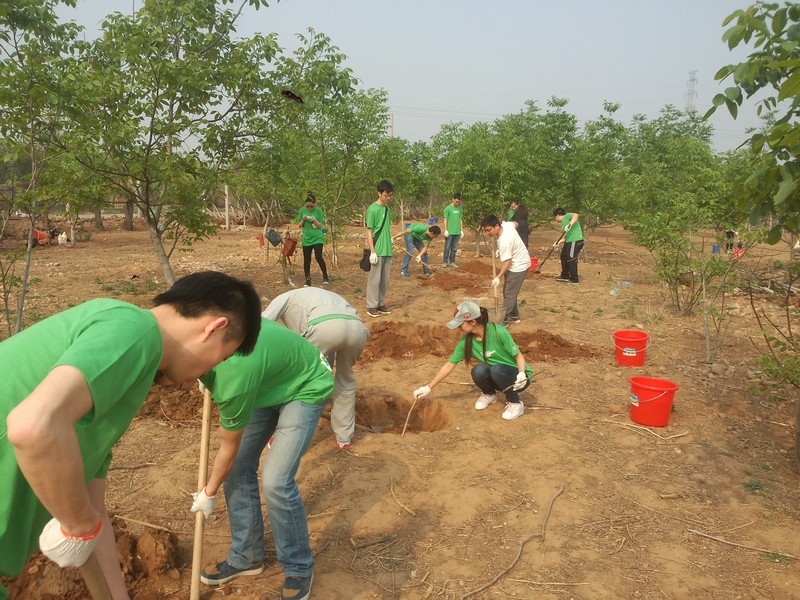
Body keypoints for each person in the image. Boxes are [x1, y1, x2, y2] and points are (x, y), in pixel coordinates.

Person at [0, 271, 262, 600]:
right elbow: (32, 427)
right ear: (214, 327)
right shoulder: (133, 331)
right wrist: (79, 524)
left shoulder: (114, 387)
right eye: (220, 358)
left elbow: (96, 518)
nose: (208, 372)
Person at [194, 318, 334, 600]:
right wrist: (203, 376)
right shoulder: (199, 342)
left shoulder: (234, 375)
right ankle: (247, 556)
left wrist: (208, 493)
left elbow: (228, 448)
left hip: (305, 384)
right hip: (265, 383)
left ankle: (298, 567)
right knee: (236, 471)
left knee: (276, 481)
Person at [261, 287, 369, 450]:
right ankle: (344, 438)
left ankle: (283, 437)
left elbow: (260, 325)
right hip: (357, 328)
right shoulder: (321, 295)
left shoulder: (282, 298)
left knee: (300, 381)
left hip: (324, 326)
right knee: (345, 379)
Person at [412, 300, 532, 421]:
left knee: (497, 369)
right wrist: (428, 388)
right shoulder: (466, 342)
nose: (458, 328)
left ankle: (515, 403)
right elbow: (449, 365)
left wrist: (522, 374)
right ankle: (489, 394)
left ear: (473, 322)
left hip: (518, 378)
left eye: (460, 324)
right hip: (498, 376)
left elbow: (518, 356)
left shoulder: (498, 332)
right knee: (478, 370)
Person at [480, 214, 531, 327]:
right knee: (509, 290)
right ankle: (514, 315)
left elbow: (507, 262)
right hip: (517, 261)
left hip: (519, 265)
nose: (487, 233)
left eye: (489, 230)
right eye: (485, 231)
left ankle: (503, 319)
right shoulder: (507, 225)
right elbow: (516, 223)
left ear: (497, 226)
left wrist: (498, 277)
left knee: (509, 293)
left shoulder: (504, 242)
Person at [365, 179, 394, 318]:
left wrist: (390, 239)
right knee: (374, 279)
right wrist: (372, 251)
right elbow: (370, 231)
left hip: (387, 248)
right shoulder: (372, 209)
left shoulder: (387, 209)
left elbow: (386, 228)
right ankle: (372, 305)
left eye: (390, 195)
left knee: (384, 279)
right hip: (377, 249)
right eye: (386, 195)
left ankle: (381, 303)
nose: (388, 198)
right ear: (379, 193)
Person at [295, 191, 330, 287]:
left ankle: (325, 276)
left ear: (315, 204)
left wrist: (314, 220)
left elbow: (320, 226)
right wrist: (303, 219)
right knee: (307, 259)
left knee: (318, 256)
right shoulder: (302, 211)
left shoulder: (318, 211)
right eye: (308, 206)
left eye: (311, 206)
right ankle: (307, 279)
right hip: (307, 238)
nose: (309, 208)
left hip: (317, 237)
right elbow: (299, 225)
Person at [553, 208, 584, 284]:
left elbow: (576, 215)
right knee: (563, 256)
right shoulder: (564, 223)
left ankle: (574, 279)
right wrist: (558, 242)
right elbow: (566, 237)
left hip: (575, 241)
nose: (555, 219)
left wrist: (570, 224)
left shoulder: (566, 216)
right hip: (569, 241)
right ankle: (565, 276)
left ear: (557, 215)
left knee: (571, 258)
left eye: (554, 217)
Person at [442, 193, 464, 268]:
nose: (457, 203)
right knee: (447, 248)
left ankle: (452, 262)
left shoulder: (459, 209)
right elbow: (445, 219)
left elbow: (460, 219)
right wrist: (446, 230)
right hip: (450, 232)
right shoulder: (448, 208)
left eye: (458, 202)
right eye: (456, 201)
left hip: (457, 232)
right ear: (453, 199)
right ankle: (445, 262)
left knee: (454, 248)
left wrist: (461, 230)